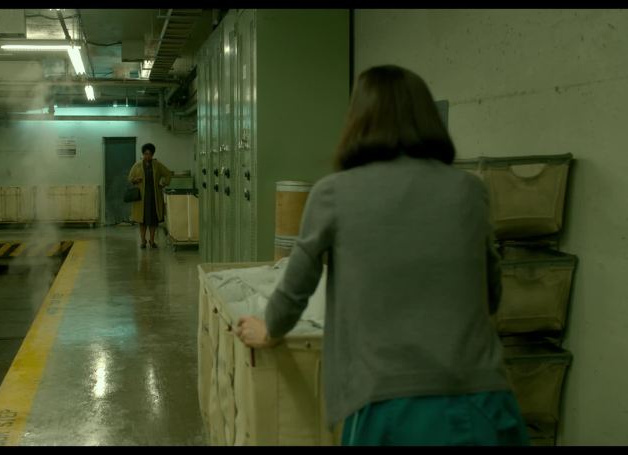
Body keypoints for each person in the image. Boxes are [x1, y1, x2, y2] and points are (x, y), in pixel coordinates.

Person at [235, 65, 529, 446]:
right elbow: (491, 294)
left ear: (358, 121)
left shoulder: (333, 193)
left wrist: (270, 328)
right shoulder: (470, 190)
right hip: (485, 404)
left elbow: (296, 288)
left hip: (389, 408)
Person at [128, 143, 172, 249]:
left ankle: (152, 241)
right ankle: (143, 241)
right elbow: (130, 178)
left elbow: (168, 173)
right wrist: (136, 180)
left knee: (153, 221)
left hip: (154, 197)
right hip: (141, 198)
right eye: (146, 154)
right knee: (142, 220)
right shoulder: (137, 165)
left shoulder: (157, 165)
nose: (147, 156)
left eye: (150, 154)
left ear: (152, 155)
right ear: (143, 154)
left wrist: (163, 183)